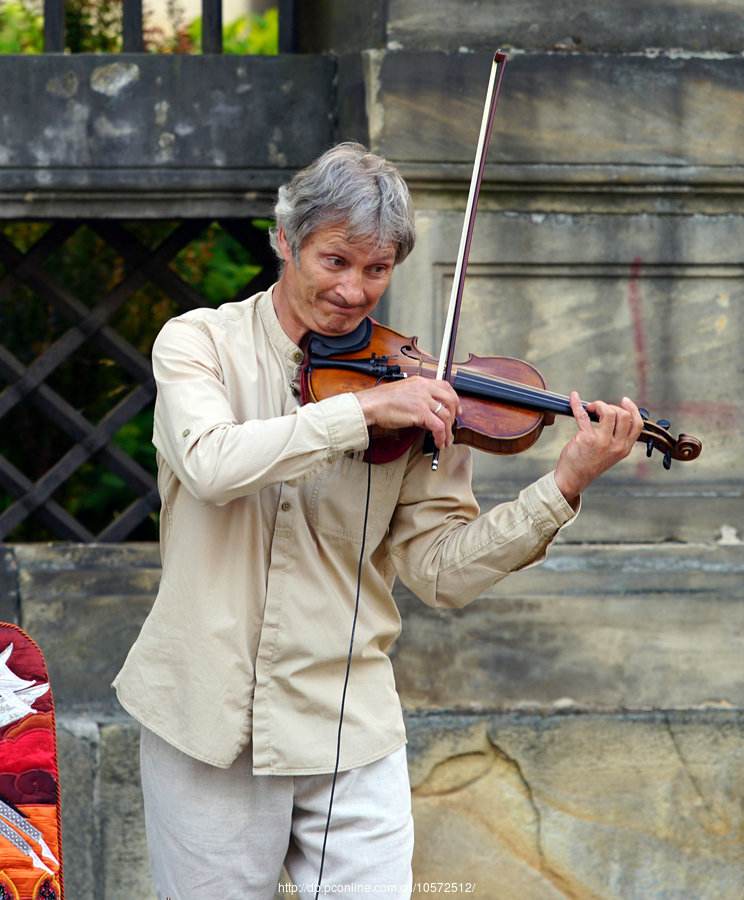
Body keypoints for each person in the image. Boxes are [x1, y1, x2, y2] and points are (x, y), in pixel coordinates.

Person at [112, 142, 643, 899]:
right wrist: (357, 411)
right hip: (207, 719)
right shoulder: (199, 344)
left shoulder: (421, 391)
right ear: (286, 241)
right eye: (335, 262)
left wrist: (561, 484)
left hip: (346, 724)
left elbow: (441, 573)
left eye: (377, 269)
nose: (355, 291)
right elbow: (212, 464)